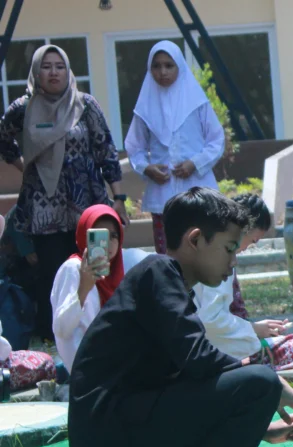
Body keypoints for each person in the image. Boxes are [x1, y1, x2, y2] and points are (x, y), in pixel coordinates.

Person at [68, 187, 293, 447]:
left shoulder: (170, 287)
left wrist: (262, 429)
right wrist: (273, 384)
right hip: (112, 425)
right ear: (196, 240)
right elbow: (199, 361)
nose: (233, 263)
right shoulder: (158, 271)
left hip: (128, 426)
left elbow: (179, 382)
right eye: (230, 249)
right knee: (260, 381)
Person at [0, 45, 127, 344]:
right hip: (45, 212)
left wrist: (118, 197)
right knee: (55, 277)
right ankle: (54, 341)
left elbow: (105, 149)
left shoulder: (85, 105)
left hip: (89, 207)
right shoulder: (23, 108)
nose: (54, 72)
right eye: (46, 66)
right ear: (36, 71)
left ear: (68, 70)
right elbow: (4, 141)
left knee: (98, 268)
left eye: (60, 66)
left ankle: (104, 333)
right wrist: (27, 168)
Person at [194, 194, 293, 370]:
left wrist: (256, 329)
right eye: (253, 239)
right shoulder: (215, 263)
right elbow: (210, 321)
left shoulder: (212, 258)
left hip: (229, 344)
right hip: (226, 353)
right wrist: (254, 329)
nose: (253, 244)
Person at [124, 40, 224, 255]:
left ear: (180, 66)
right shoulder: (145, 108)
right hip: (163, 195)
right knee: (168, 256)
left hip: (199, 190)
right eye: (156, 66)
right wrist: (147, 168)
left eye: (169, 65)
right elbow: (134, 147)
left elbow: (216, 140)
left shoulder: (198, 103)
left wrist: (194, 163)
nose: (163, 72)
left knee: (205, 253)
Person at [51, 205, 151, 373]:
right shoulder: (73, 268)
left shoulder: (119, 268)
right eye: (100, 236)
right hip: (85, 367)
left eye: (113, 236)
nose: (108, 243)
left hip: (112, 362)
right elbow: (61, 330)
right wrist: (84, 287)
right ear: (85, 235)